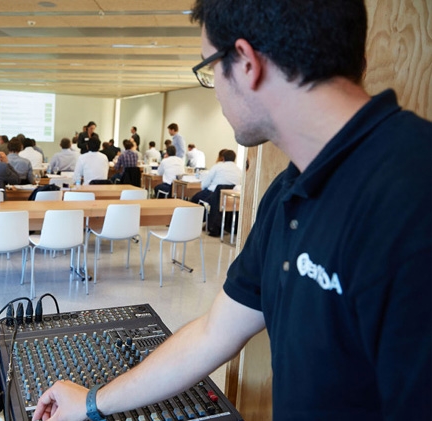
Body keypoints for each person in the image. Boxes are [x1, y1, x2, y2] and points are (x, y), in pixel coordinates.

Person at [33, 0, 432, 419]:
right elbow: (213, 333)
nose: (216, 87)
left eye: (209, 69)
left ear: (245, 62)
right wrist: (95, 402)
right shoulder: (288, 191)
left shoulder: (412, 196)